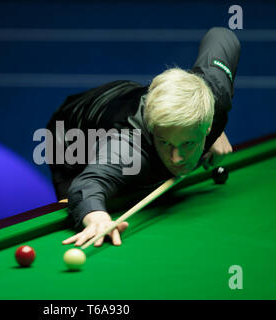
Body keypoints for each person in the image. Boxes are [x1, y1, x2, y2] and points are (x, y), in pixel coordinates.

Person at [45, 27, 240, 247]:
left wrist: (213, 130)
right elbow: (88, 184)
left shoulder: (216, 96)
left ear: (206, 126)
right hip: (70, 134)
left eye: (187, 143)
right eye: (165, 142)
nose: (176, 159)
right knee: (77, 201)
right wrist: (95, 215)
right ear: (153, 127)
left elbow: (222, 35)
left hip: (125, 96)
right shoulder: (128, 148)